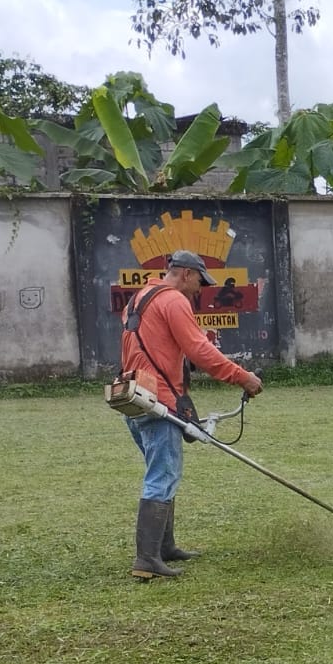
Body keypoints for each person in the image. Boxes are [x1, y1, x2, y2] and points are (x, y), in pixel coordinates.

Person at [120, 248, 263, 582]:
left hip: (134, 398)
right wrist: (243, 377)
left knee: (162, 472)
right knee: (162, 476)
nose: (201, 289)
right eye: (200, 280)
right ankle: (146, 559)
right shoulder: (173, 300)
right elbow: (200, 350)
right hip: (159, 401)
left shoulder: (138, 299)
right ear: (186, 273)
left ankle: (164, 547)